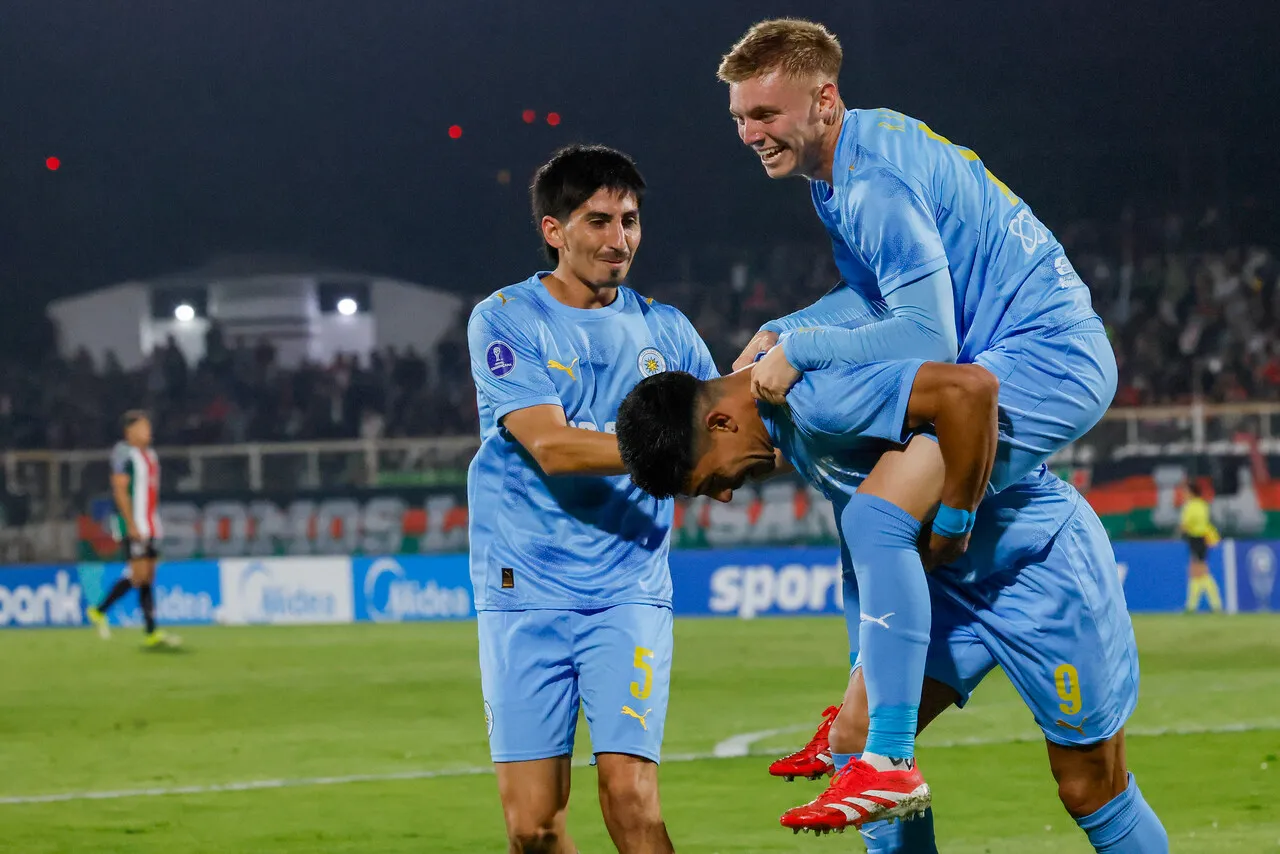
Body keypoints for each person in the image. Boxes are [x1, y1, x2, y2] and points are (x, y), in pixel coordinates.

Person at [716, 16, 1118, 804]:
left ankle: (885, 755)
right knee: (867, 520)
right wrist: (789, 327)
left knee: (875, 519)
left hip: (1046, 358)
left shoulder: (870, 183)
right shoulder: (856, 158)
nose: (749, 133)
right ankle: (863, 728)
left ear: (824, 101)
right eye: (739, 118)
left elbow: (927, 331)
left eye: (765, 115)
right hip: (1008, 354)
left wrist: (804, 353)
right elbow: (877, 295)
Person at [613, 349, 1168, 852]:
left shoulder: (814, 393)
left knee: (1088, 788)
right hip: (945, 587)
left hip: (1036, 567)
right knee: (855, 741)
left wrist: (955, 519)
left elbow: (967, 391)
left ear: (719, 422)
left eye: (713, 480)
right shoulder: (781, 418)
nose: (728, 493)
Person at [466, 144, 717, 854]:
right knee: (534, 830)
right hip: (523, 591)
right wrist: (675, 454)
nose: (620, 239)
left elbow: (728, 431)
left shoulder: (667, 330)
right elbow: (553, 447)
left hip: (627, 590)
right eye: (600, 221)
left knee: (632, 800)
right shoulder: (507, 319)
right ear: (555, 231)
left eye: (631, 220)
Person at [86, 411, 180, 648]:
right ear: (130, 431)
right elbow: (120, 490)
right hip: (133, 522)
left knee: (148, 575)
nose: (148, 432)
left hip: (149, 522)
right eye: (143, 428)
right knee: (138, 575)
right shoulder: (123, 453)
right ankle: (99, 610)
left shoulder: (150, 455)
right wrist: (130, 523)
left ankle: (151, 632)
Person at [1180, 481, 1223, 613]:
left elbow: (1185, 525)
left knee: (1199, 572)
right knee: (1197, 572)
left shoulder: (1190, 506)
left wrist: (1181, 532)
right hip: (1203, 539)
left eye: (1186, 491)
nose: (1183, 493)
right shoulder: (1203, 505)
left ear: (1191, 492)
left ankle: (1212, 604)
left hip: (1195, 539)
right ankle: (1194, 605)